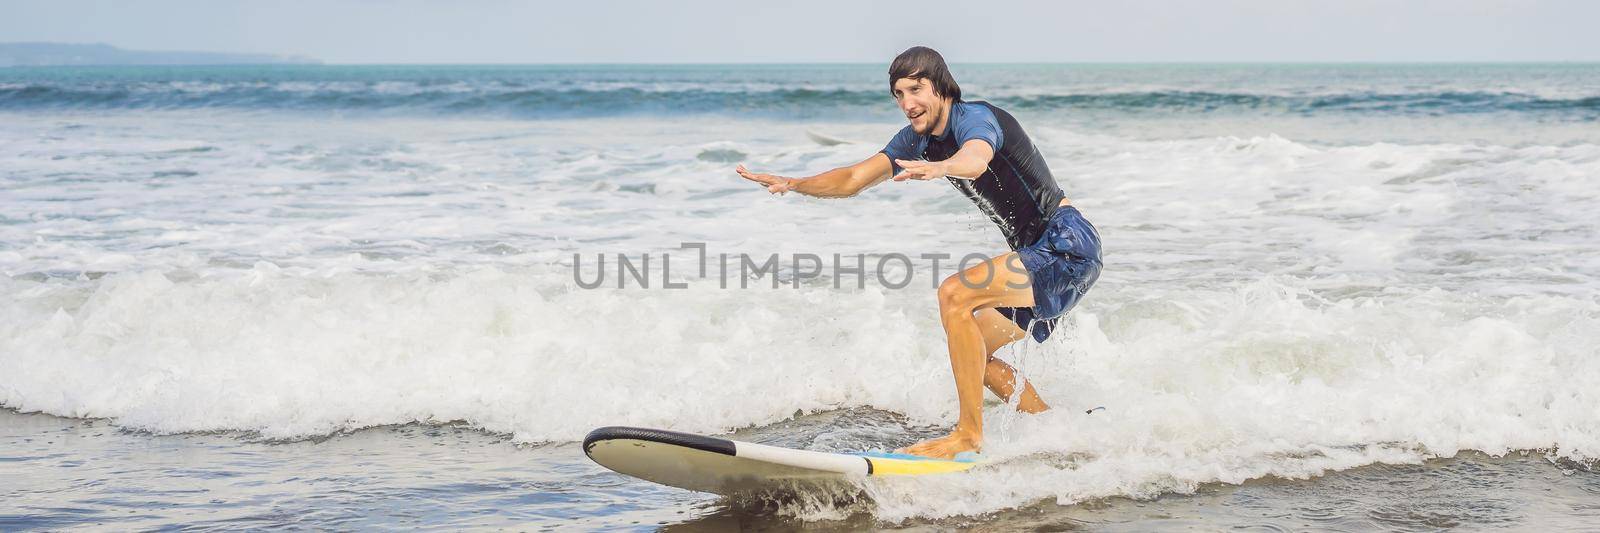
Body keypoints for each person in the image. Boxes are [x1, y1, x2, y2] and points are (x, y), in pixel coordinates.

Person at [735, 46, 1102, 459]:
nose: (907, 104)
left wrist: (943, 167)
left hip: (1066, 245)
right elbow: (855, 178)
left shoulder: (975, 119)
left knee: (955, 294)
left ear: (942, 87)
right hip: (1042, 256)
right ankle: (1059, 436)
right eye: (898, 94)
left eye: (916, 89)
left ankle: (967, 435)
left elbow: (976, 159)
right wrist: (795, 183)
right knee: (973, 356)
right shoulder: (918, 140)